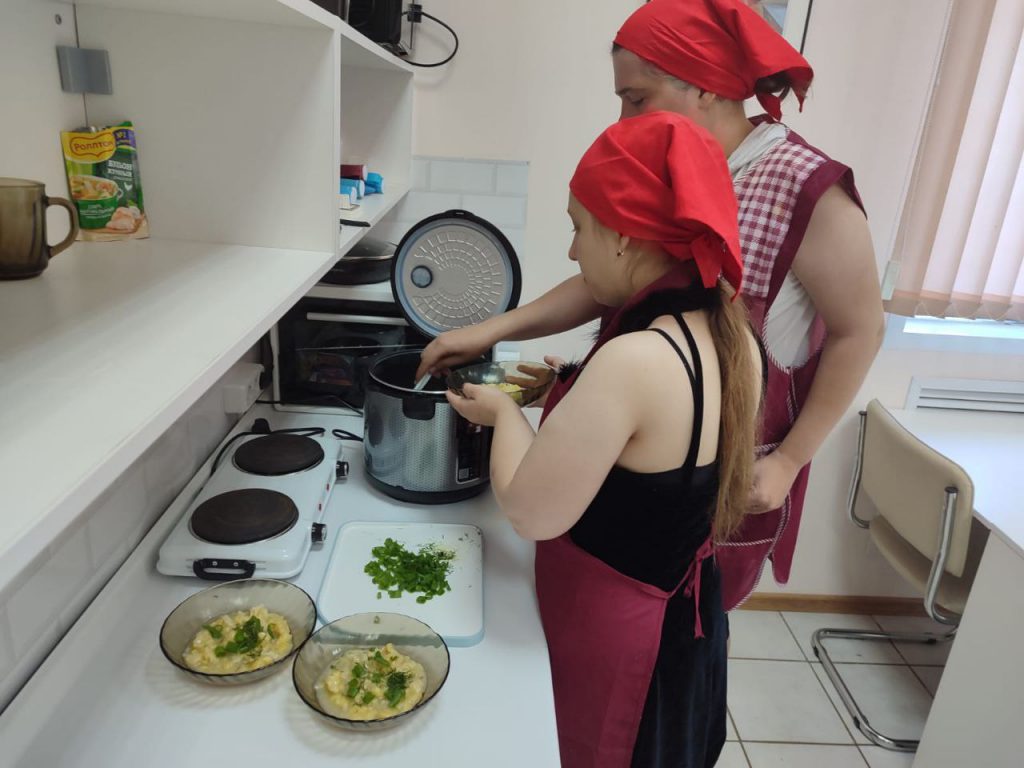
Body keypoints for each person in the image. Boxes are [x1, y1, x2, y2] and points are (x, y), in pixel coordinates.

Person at [419, 0, 884, 611]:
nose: (623, 117)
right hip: (641, 458)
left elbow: (860, 331)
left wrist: (791, 460)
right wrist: (492, 330)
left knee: (682, 615)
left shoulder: (805, 188)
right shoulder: (670, 162)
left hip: (725, 464)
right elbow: (614, 279)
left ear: (706, 86)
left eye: (636, 98)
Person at [446, 111, 762, 768]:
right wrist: (561, 385)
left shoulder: (637, 359)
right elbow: (648, 450)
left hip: (618, 634)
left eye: (577, 228)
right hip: (684, 618)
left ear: (621, 237)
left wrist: (505, 415)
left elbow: (531, 511)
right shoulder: (730, 336)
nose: (572, 252)